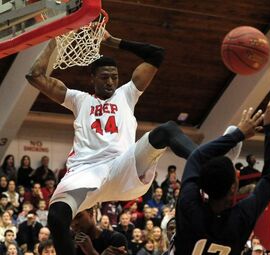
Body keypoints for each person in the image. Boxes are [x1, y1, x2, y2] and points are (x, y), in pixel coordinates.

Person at [26, 29, 197, 255]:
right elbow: (34, 76)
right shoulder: (78, 99)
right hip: (85, 170)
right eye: (104, 77)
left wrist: (113, 41)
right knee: (57, 215)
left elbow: (157, 54)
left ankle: (205, 160)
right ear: (92, 78)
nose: (110, 82)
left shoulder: (127, 93)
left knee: (167, 130)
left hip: (122, 166)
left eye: (114, 77)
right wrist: (55, 40)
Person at [175, 98, 270, 255]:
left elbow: (196, 157)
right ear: (234, 187)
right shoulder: (241, 217)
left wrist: (240, 134)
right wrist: (267, 128)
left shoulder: (189, 205)